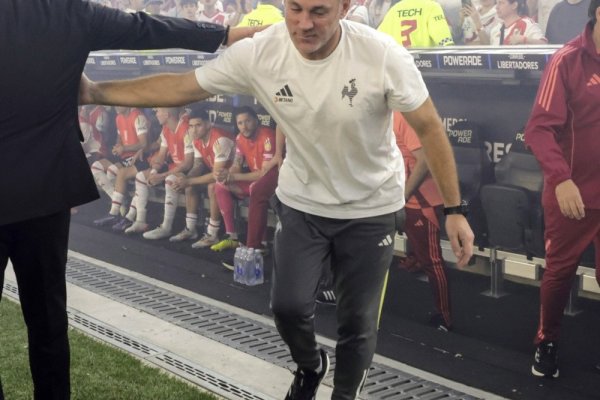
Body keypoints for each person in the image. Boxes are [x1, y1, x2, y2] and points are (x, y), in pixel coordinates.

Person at [79, 0, 475, 396]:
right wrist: (96, 91)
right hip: (303, 203)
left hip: (371, 209)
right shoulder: (262, 51)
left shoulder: (382, 54)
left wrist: (454, 210)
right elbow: (182, 85)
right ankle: (310, 365)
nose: (304, 24)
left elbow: (430, 127)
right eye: (295, 9)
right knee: (287, 309)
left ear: (345, 8)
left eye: (319, 12)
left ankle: (345, 393)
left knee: (357, 323)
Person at [0, 0, 261, 397]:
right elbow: (145, 28)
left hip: (36, 189)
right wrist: (222, 34)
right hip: (46, 192)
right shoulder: (71, 14)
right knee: (48, 318)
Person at [524, 0, 600, 379]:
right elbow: (538, 129)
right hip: (573, 195)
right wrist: (562, 179)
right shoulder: (566, 60)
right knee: (559, 273)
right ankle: (546, 341)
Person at [393, 112, 453, 332]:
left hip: (420, 200)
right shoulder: (384, 112)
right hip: (396, 197)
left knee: (432, 260)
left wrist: (402, 197)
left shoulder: (404, 115)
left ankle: (444, 317)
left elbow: (425, 160)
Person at [210, 106, 278, 259]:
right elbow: (237, 165)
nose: (244, 126)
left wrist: (234, 177)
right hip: (253, 180)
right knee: (220, 186)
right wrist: (227, 174)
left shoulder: (267, 136)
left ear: (256, 120)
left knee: (256, 188)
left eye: (247, 121)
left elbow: (264, 174)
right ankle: (232, 237)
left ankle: (261, 243)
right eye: (240, 123)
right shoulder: (240, 138)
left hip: (272, 183)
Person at [169, 105, 236, 246]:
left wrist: (190, 180)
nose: (193, 130)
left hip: (236, 175)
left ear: (208, 124)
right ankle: (190, 229)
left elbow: (217, 175)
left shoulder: (219, 140)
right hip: (220, 176)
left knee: (212, 186)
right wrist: (186, 180)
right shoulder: (197, 139)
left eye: (198, 125)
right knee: (190, 186)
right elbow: (198, 165)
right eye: (191, 126)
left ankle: (212, 234)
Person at [134, 108, 194, 238]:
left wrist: (161, 176)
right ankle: (140, 221)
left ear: (167, 114)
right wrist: (154, 172)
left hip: (190, 171)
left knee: (169, 180)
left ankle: (166, 227)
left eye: (158, 112)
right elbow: (161, 156)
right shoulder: (166, 129)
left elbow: (188, 163)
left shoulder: (186, 128)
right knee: (141, 176)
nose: (155, 114)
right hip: (174, 168)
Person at [378, 0, 455, 47]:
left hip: (400, 66)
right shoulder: (432, 7)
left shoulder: (394, 9)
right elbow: (445, 43)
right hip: (425, 68)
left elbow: (378, 39)